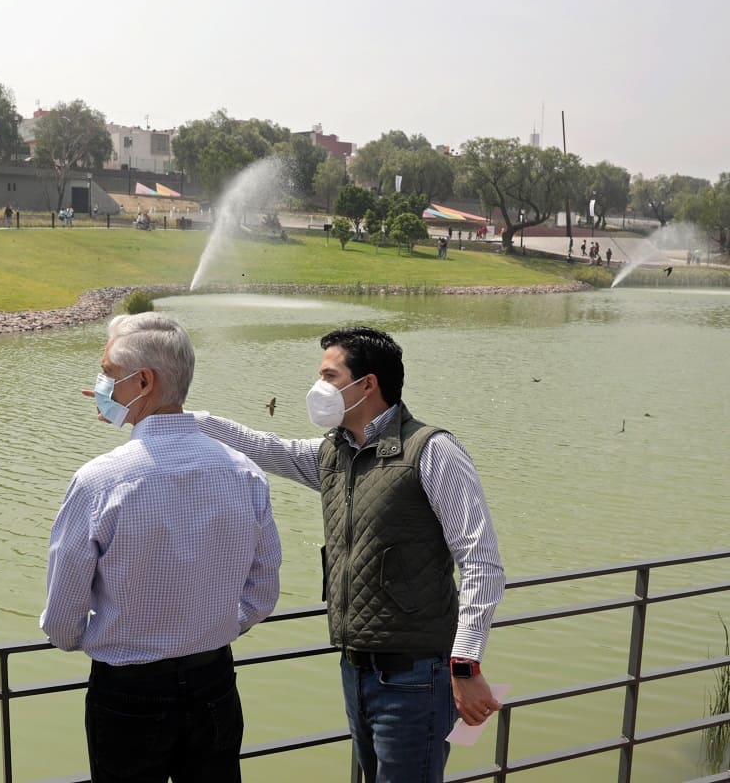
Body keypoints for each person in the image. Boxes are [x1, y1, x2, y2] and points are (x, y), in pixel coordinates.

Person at [194, 326, 504, 783]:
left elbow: (482, 562)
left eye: (329, 374)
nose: (318, 387)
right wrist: (171, 417)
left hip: (416, 676)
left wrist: (465, 663)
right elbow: (264, 446)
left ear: (368, 384)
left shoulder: (432, 451)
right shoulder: (334, 456)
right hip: (355, 669)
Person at [41, 313, 281, 783]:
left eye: (109, 375)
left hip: (128, 692)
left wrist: (102, 640)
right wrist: (212, 629)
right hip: (215, 681)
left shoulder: (100, 481)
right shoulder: (244, 472)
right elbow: (264, 589)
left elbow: (62, 619)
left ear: (144, 381)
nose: (101, 387)